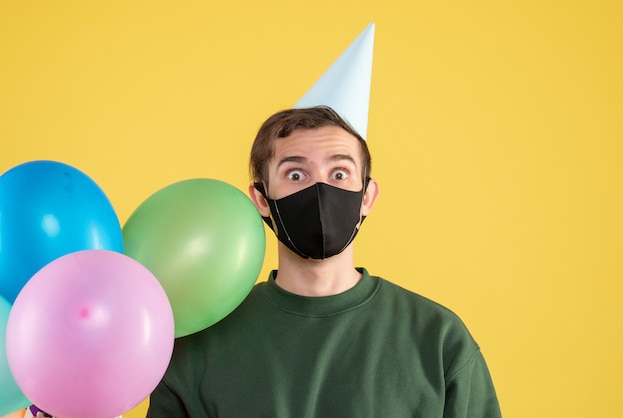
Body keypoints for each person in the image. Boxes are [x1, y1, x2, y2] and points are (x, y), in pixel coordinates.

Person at [147, 105, 501, 417]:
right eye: (295, 174)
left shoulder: (438, 338)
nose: (320, 191)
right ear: (262, 199)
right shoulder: (198, 347)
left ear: (367, 197)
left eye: (340, 174)